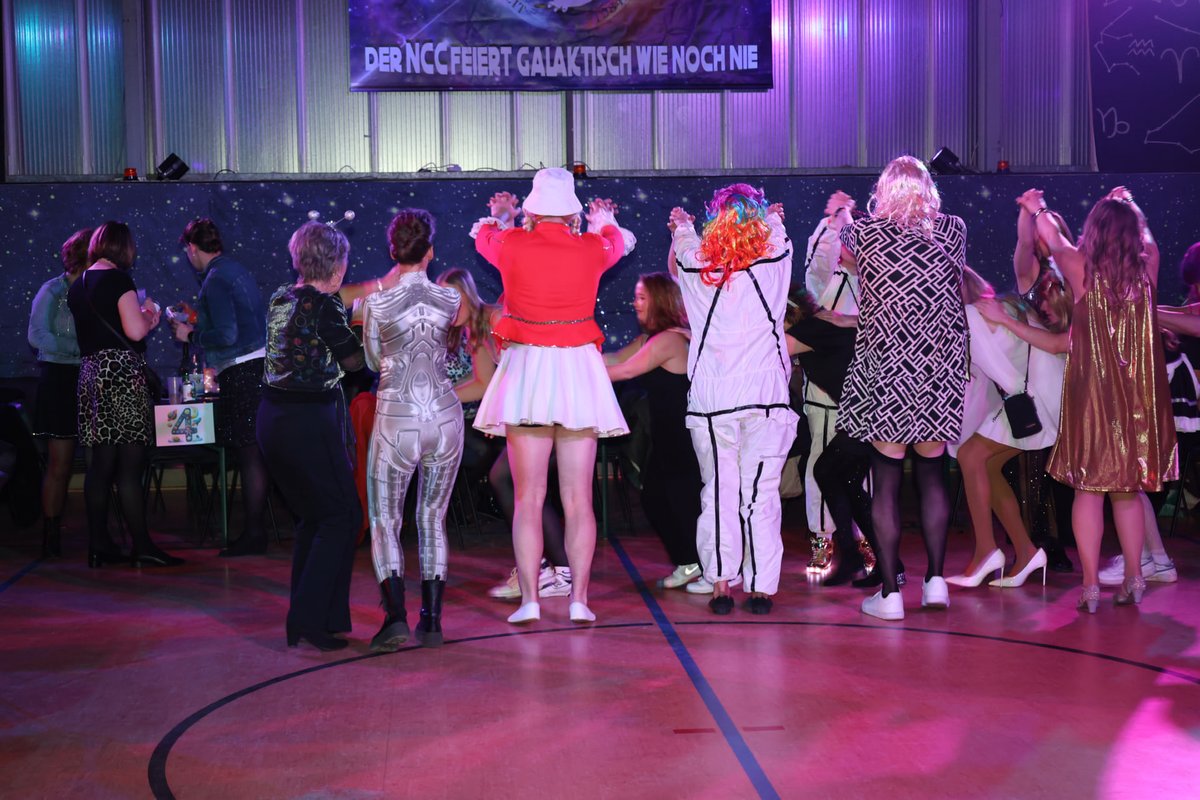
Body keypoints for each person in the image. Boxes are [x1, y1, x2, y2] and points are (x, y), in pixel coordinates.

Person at [472, 168, 628, 625]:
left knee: (528, 498)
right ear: (572, 212)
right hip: (577, 371)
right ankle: (579, 598)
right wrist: (602, 219)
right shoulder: (592, 247)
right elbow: (616, 240)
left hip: (529, 372)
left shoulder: (511, 243)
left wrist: (504, 213)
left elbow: (484, 236)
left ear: (534, 209)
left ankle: (530, 601)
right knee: (578, 498)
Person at [1028, 186, 1176, 613]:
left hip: (1091, 399)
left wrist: (1038, 207)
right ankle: (1134, 577)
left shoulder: (1079, 268)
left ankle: (1091, 586)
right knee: (1126, 492)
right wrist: (1130, 204)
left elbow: (1052, 236)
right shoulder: (1148, 269)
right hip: (1135, 403)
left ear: (1093, 231)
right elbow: (1148, 237)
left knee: (1088, 492)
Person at [836, 155, 968, 622]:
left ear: (884, 190)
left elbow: (844, 254)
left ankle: (890, 592)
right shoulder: (954, 230)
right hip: (937, 370)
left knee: (886, 479)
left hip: (889, 369)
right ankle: (936, 582)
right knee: (933, 473)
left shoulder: (865, 233)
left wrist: (842, 213)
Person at [669, 184, 797, 615]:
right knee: (761, 494)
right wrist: (773, 217)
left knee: (719, 492)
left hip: (714, 400)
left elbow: (683, 245)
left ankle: (721, 583)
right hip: (766, 398)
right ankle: (761, 588)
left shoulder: (697, 266)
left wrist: (682, 225)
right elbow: (777, 233)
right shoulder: (774, 260)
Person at [437, 267, 575, 602]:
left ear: (468, 294)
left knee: (510, 480)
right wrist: (438, 397)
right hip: (530, 413)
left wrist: (502, 417)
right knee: (513, 482)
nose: (449, 308)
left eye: (454, 299)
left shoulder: (497, 318)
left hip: (551, 408)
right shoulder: (476, 330)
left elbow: (531, 365)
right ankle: (544, 567)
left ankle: (557, 570)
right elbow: (484, 384)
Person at [257, 221, 364, 651]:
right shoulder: (325, 307)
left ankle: (315, 618)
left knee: (315, 519)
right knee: (342, 517)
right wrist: (368, 335)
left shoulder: (281, 297)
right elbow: (355, 363)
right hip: (307, 421)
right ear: (336, 269)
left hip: (274, 419)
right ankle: (308, 618)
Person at [362, 209, 465, 651]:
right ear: (430, 251)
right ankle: (433, 622)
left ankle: (396, 618)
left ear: (393, 251)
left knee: (386, 520)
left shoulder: (376, 304)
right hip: (444, 415)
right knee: (432, 517)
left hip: (397, 418)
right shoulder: (451, 298)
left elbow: (372, 360)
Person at [67, 222, 182, 568]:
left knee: (100, 467)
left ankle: (98, 545)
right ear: (124, 247)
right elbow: (134, 331)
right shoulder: (119, 280)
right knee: (130, 467)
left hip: (91, 375)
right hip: (120, 375)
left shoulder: (78, 285)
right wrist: (150, 315)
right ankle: (142, 545)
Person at [956, 271, 1069, 589]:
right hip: (1047, 392)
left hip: (1036, 397)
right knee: (986, 466)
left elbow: (994, 374)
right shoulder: (1003, 305)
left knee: (970, 456)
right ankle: (1026, 552)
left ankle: (986, 552)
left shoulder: (971, 315)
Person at [170, 218, 270, 557]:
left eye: (187, 251)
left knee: (249, 453)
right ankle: (255, 531)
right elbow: (236, 322)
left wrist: (191, 335)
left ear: (192, 247)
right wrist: (198, 319)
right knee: (253, 452)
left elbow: (227, 335)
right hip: (255, 366)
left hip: (241, 370)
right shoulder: (232, 270)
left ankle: (254, 534)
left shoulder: (215, 279)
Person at [606, 272, 703, 590]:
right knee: (656, 498)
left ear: (660, 300)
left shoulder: (669, 340)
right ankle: (689, 561)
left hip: (683, 436)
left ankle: (700, 563)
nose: (635, 303)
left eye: (642, 297)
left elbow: (624, 370)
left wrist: (573, 370)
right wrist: (577, 356)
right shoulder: (652, 338)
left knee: (680, 501)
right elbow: (615, 357)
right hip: (666, 435)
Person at [800, 192, 861, 572]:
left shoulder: (875, 282)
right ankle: (822, 538)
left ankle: (862, 535)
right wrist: (838, 215)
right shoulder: (823, 278)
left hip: (863, 392)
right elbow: (820, 254)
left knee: (862, 468)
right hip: (825, 392)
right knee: (820, 461)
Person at [28, 228, 91, 557]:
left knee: (99, 463)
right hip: (59, 379)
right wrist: (80, 348)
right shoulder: (52, 290)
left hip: (91, 377)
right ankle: (51, 535)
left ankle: (100, 532)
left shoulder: (96, 290)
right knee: (60, 463)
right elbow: (37, 335)